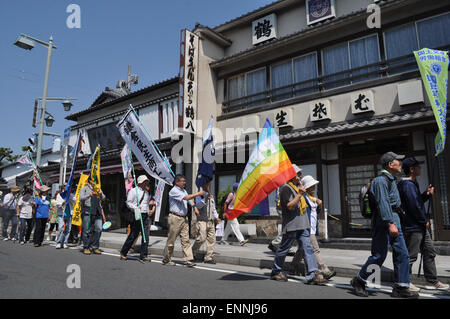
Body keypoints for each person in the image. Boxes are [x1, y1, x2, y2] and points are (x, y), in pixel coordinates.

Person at [351, 152, 419, 299]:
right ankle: (359, 280)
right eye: (398, 161)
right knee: (378, 255)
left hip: (394, 220)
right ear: (390, 164)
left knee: (402, 253)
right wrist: (390, 223)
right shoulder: (381, 181)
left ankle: (401, 287)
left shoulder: (392, 180)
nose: (401, 164)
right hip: (384, 221)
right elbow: (383, 203)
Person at [397, 157, 449, 291]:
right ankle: (405, 282)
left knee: (429, 251)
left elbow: (417, 201)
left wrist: (426, 194)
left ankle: (433, 280)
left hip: (418, 225)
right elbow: (414, 207)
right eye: (418, 167)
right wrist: (424, 220)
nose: (420, 168)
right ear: (412, 170)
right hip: (413, 226)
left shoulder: (413, 183)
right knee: (411, 255)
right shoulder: (407, 185)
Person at [270, 167, 327, 285]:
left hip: (303, 224)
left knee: (308, 248)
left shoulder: (299, 188)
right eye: (298, 174)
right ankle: (276, 271)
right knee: (283, 249)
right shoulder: (286, 189)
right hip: (292, 225)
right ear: (291, 175)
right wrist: (300, 194)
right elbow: (290, 206)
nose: (300, 176)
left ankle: (312, 274)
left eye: (300, 174)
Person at [162, 174, 204, 267]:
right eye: (182, 181)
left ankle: (188, 259)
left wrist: (194, 207)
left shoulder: (183, 190)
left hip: (184, 218)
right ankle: (166, 259)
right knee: (171, 239)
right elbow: (186, 198)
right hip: (175, 218)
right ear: (177, 182)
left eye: (185, 181)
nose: (184, 183)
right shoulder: (173, 191)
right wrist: (198, 193)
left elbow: (189, 200)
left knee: (186, 239)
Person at [301, 175, 336, 280]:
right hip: (306, 227)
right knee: (315, 249)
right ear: (307, 186)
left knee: (301, 249)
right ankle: (323, 270)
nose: (314, 186)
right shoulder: (303, 197)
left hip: (312, 226)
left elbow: (314, 213)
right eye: (312, 185)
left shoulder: (312, 197)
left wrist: (319, 206)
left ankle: (293, 267)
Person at [120, 175, 155, 262]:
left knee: (145, 235)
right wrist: (135, 207)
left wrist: (149, 210)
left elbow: (146, 203)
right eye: (144, 181)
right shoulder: (133, 191)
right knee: (133, 235)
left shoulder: (147, 193)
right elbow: (128, 202)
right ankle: (123, 252)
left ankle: (143, 255)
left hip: (145, 215)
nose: (146, 183)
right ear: (140, 182)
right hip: (137, 215)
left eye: (147, 181)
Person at [268, 165, 302, 254]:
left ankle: (278, 244)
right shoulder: (284, 182)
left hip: (287, 206)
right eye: (299, 173)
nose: (300, 175)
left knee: (288, 226)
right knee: (288, 226)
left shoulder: (294, 182)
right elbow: (281, 195)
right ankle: (277, 244)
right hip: (282, 206)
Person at [192, 182, 221, 264]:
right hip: (202, 220)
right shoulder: (199, 196)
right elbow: (198, 206)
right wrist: (205, 199)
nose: (207, 186)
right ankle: (192, 253)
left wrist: (216, 217)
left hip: (210, 221)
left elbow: (213, 208)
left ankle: (208, 257)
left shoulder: (211, 197)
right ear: (202, 186)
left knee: (212, 240)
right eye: (205, 185)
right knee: (201, 238)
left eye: (208, 185)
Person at [79, 177, 106, 255]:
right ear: (90, 180)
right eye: (93, 180)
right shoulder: (84, 188)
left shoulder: (98, 188)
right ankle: (86, 247)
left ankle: (95, 247)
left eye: (96, 180)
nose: (95, 182)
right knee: (86, 230)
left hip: (97, 211)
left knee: (99, 229)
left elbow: (103, 198)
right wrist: (89, 195)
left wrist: (101, 194)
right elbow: (81, 198)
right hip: (88, 210)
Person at [55, 184, 77, 249]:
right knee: (61, 227)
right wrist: (62, 203)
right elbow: (57, 204)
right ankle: (58, 242)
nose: (67, 188)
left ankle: (65, 242)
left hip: (69, 214)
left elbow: (74, 200)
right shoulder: (60, 195)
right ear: (63, 187)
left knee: (68, 229)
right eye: (65, 186)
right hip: (61, 214)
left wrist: (68, 196)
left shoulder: (71, 195)